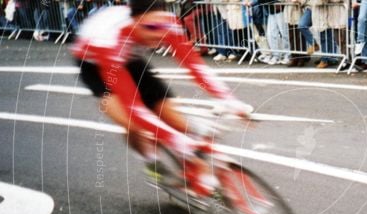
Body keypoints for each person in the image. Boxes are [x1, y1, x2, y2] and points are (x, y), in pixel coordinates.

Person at [70, 0, 253, 187]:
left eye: (160, 25)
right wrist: (175, 139)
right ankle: (151, 162)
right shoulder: (110, 39)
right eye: (149, 26)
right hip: (96, 65)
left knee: (171, 114)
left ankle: (191, 166)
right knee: (132, 123)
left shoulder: (167, 24)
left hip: (130, 58)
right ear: (134, 21)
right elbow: (133, 106)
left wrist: (230, 100)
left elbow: (195, 66)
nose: (157, 32)